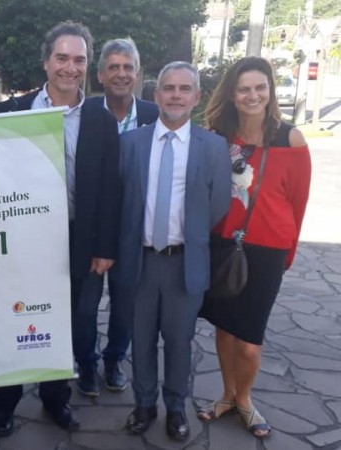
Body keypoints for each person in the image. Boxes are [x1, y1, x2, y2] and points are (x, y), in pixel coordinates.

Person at [0, 21, 121, 436]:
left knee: (62, 326)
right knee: (10, 321)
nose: (70, 67)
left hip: (75, 241)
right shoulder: (10, 112)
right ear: (46, 61)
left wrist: (104, 246)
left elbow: (110, 189)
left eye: (79, 59)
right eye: (61, 58)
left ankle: (54, 398)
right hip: (18, 243)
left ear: (87, 66)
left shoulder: (101, 119)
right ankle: (3, 405)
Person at [115, 61, 231, 441]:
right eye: (168, 88)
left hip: (185, 263)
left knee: (179, 342)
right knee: (142, 338)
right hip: (140, 262)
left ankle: (176, 407)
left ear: (196, 97)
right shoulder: (131, 143)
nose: (176, 95)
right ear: (156, 95)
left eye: (184, 89)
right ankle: (144, 404)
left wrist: (189, 237)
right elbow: (121, 200)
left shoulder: (212, 147)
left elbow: (218, 206)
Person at [197, 56, 311, 439]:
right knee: (225, 329)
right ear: (232, 93)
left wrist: (288, 253)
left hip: (267, 252)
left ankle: (244, 399)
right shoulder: (217, 135)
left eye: (260, 87)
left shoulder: (289, 139)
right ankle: (227, 395)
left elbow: (298, 202)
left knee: (249, 340)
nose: (253, 95)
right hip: (222, 244)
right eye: (244, 88)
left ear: (270, 91)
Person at [75, 37, 159, 396]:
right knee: (85, 306)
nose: (121, 74)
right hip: (92, 230)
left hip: (136, 232)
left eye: (128, 67)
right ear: (100, 75)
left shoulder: (155, 117)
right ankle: (87, 365)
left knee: (126, 306)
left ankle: (113, 360)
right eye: (114, 67)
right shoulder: (86, 114)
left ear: (138, 74)